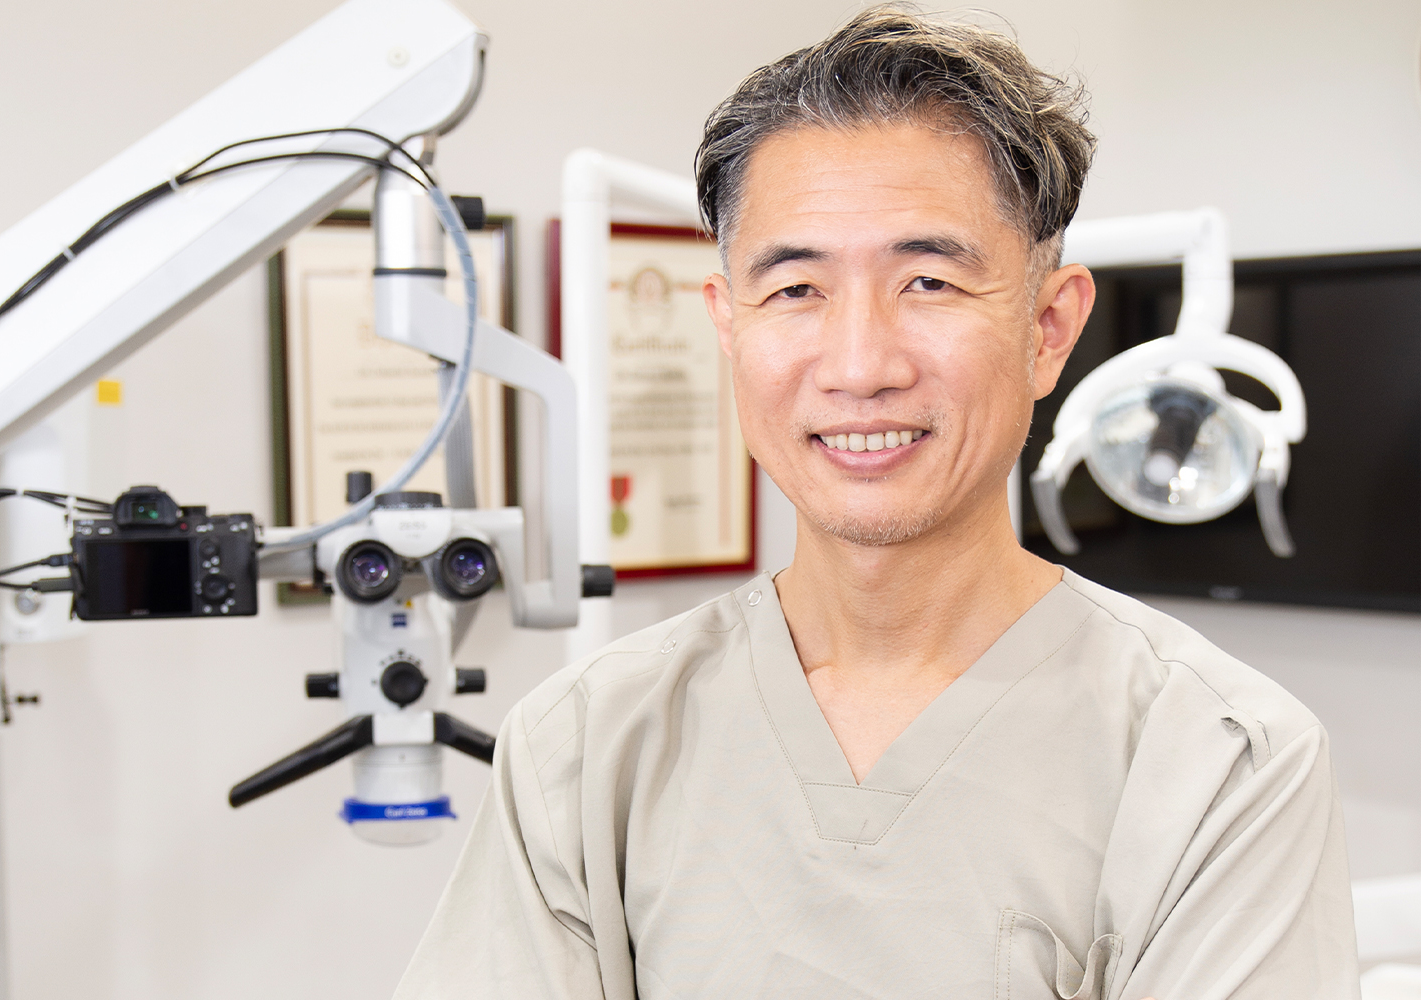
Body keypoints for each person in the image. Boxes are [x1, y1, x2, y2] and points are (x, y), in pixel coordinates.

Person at [394, 7, 1360, 999]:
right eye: (796, 290)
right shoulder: (586, 743)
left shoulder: (1218, 762)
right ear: (729, 326)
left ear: (1047, 328)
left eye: (928, 281)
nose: (859, 366)